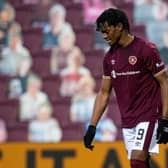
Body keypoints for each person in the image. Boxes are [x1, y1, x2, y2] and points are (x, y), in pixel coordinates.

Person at [83, 8, 168, 168]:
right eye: (102, 33)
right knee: (139, 163)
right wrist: (92, 126)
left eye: (107, 31)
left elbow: (165, 82)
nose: (104, 36)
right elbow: (104, 93)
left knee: (137, 161)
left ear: (120, 26)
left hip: (149, 116)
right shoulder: (109, 58)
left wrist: (165, 120)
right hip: (128, 120)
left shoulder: (146, 49)